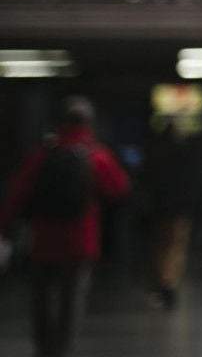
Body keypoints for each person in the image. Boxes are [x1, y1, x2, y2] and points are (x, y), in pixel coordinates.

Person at [0, 97, 132, 357]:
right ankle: (64, 348)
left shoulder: (42, 154)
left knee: (42, 298)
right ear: (89, 123)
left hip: (44, 239)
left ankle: (44, 347)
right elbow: (120, 189)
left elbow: (17, 193)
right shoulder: (96, 155)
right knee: (72, 301)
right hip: (81, 240)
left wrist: (5, 228)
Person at [142, 119, 202, 307]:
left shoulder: (156, 154)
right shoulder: (188, 155)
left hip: (160, 209)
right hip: (180, 209)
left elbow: (147, 181)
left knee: (161, 246)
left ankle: (162, 282)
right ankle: (169, 282)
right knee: (176, 246)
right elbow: (198, 183)